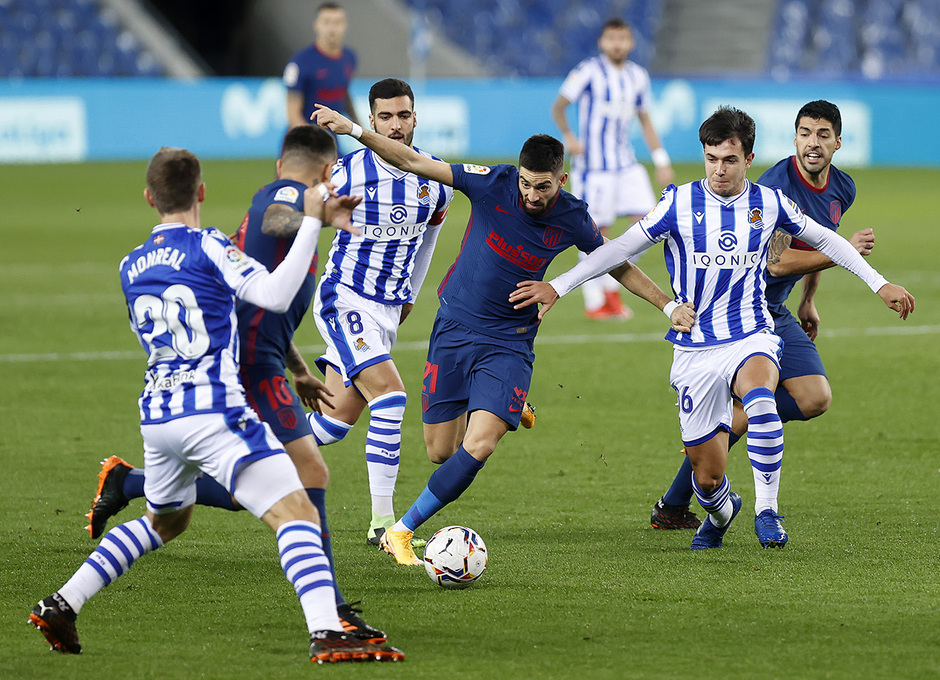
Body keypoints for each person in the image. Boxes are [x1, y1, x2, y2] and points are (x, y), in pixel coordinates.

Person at [28, 147, 404, 663]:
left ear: (149, 198)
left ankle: (62, 603)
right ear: (201, 192)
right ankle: (327, 630)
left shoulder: (129, 264)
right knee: (297, 509)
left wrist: (294, 366)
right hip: (213, 411)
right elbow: (273, 295)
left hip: (157, 415)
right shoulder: (209, 245)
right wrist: (314, 224)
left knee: (166, 522)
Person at [511, 106, 914, 551]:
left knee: (761, 399)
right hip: (696, 346)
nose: (719, 169)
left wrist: (879, 283)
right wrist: (559, 285)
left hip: (751, 331)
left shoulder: (769, 202)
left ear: (748, 159)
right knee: (707, 479)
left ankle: (767, 512)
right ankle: (723, 512)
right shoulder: (678, 203)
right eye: (711, 159)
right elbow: (618, 249)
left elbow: (827, 239)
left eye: (729, 160)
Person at [312, 103, 693, 567]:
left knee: (480, 444)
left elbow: (616, 262)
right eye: (526, 184)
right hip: (454, 327)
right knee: (440, 451)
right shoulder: (491, 182)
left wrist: (668, 306)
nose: (532, 195)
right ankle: (502, 400)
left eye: (543, 186)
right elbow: (411, 160)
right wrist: (354, 130)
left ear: (562, 180)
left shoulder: (572, 216)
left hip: (510, 340)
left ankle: (400, 530)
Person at [649, 100, 872, 546]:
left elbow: (816, 245)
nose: (812, 143)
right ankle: (685, 501)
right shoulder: (774, 189)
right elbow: (776, 262)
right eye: (805, 133)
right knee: (754, 407)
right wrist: (841, 254)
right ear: (794, 138)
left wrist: (809, 300)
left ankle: (684, 490)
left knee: (813, 398)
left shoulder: (841, 187)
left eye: (822, 134)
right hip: (738, 312)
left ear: (837, 142)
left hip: (778, 309)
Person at [300, 78, 453, 547]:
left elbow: (429, 241)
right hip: (344, 298)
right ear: (371, 120)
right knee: (390, 396)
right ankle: (384, 526)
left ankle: (241, 450)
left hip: (387, 311)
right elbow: (295, 217)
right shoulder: (345, 173)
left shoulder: (435, 181)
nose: (395, 124)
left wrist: (410, 297)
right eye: (385, 116)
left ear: (415, 117)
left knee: (332, 424)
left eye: (403, 115)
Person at [551, 17, 674, 321]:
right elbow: (559, 106)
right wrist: (569, 136)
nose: (617, 44)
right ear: (602, 42)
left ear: (631, 42)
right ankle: (597, 301)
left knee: (652, 221)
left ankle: (610, 283)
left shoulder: (637, 76)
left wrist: (660, 159)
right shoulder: (589, 71)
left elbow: (645, 119)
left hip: (626, 163)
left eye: (623, 39)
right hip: (594, 167)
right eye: (611, 39)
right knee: (596, 232)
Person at [284, 2, 360, 130]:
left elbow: (343, 94)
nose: (332, 28)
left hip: (332, 136)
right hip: (305, 137)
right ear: (316, 25)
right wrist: (312, 138)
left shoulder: (349, 58)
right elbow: (293, 114)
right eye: (326, 22)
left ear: (345, 25)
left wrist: (359, 127)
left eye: (337, 22)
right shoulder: (299, 62)